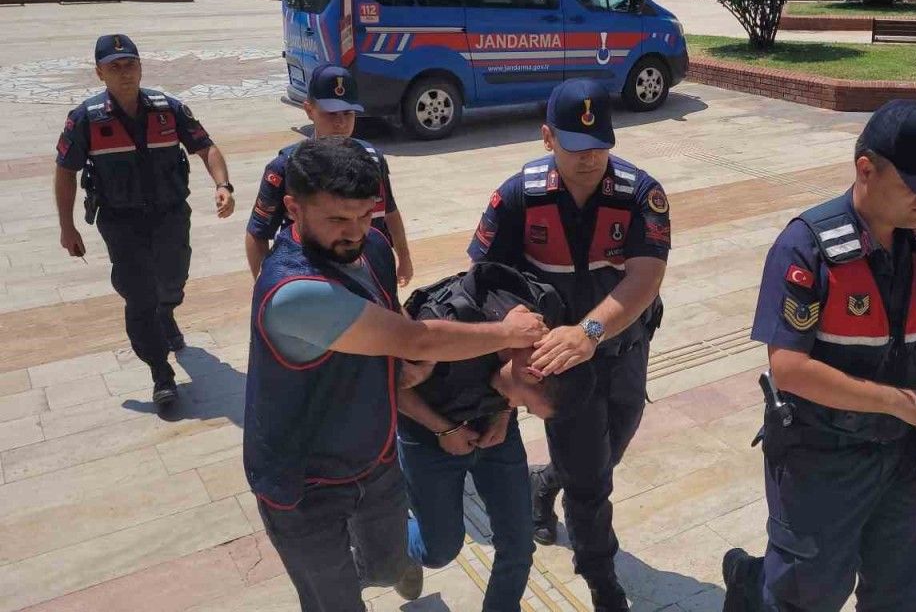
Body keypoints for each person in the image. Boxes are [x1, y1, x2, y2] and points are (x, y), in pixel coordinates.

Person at [244, 137, 548, 612]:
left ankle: (360, 565)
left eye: (365, 215)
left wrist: (403, 366)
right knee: (335, 603)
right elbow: (415, 339)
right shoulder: (294, 291)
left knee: (390, 567)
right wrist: (506, 333)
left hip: (374, 457)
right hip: (303, 483)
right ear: (293, 208)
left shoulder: (374, 248)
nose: (354, 232)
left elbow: (392, 326)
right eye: (337, 219)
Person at [721, 99, 916, 612]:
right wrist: (901, 402)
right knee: (806, 596)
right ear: (866, 170)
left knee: (900, 596)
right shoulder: (805, 246)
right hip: (822, 457)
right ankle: (752, 584)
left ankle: (756, 580)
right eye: (913, 184)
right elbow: (789, 369)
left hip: (905, 457)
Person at [468, 78, 670, 610]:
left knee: (609, 452)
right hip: (560, 367)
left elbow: (647, 276)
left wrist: (590, 332)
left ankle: (544, 483)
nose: (590, 158)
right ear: (547, 138)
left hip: (623, 352)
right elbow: (483, 280)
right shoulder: (518, 196)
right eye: (576, 147)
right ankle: (602, 578)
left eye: (599, 145)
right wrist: (514, 330)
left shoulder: (640, 195)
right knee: (591, 484)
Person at [54, 33, 235, 408]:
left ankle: (166, 313)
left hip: (170, 214)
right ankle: (160, 373)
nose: (125, 73)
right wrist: (66, 226)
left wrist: (223, 185)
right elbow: (65, 172)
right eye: (115, 67)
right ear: (100, 73)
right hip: (121, 221)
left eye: (131, 65)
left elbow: (206, 147)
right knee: (138, 295)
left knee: (173, 279)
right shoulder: (85, 118)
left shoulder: (168, 109)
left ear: (140, 67)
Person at [397, 262, 573, 611]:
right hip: (427, 432)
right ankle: (387, 540)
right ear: (531, 372)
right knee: (439, 550)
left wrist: (503, 413)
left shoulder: (545, 332)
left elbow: (514, 384)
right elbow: (392, 387)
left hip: (492, 429)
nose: (519, 407)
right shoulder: (444, 331)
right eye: (525, 404)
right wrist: (444, 429)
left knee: (519, 545)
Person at [244, 63, 413, 285]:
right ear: (309, 110)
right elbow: (257, 232)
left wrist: (404, 258)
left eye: (348, 113)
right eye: (331, 113)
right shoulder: (287, 166)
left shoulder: (371, 158)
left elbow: (389, 212)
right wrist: (265, 284)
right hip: (310, 276)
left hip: (369, 270)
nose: (340, 122)